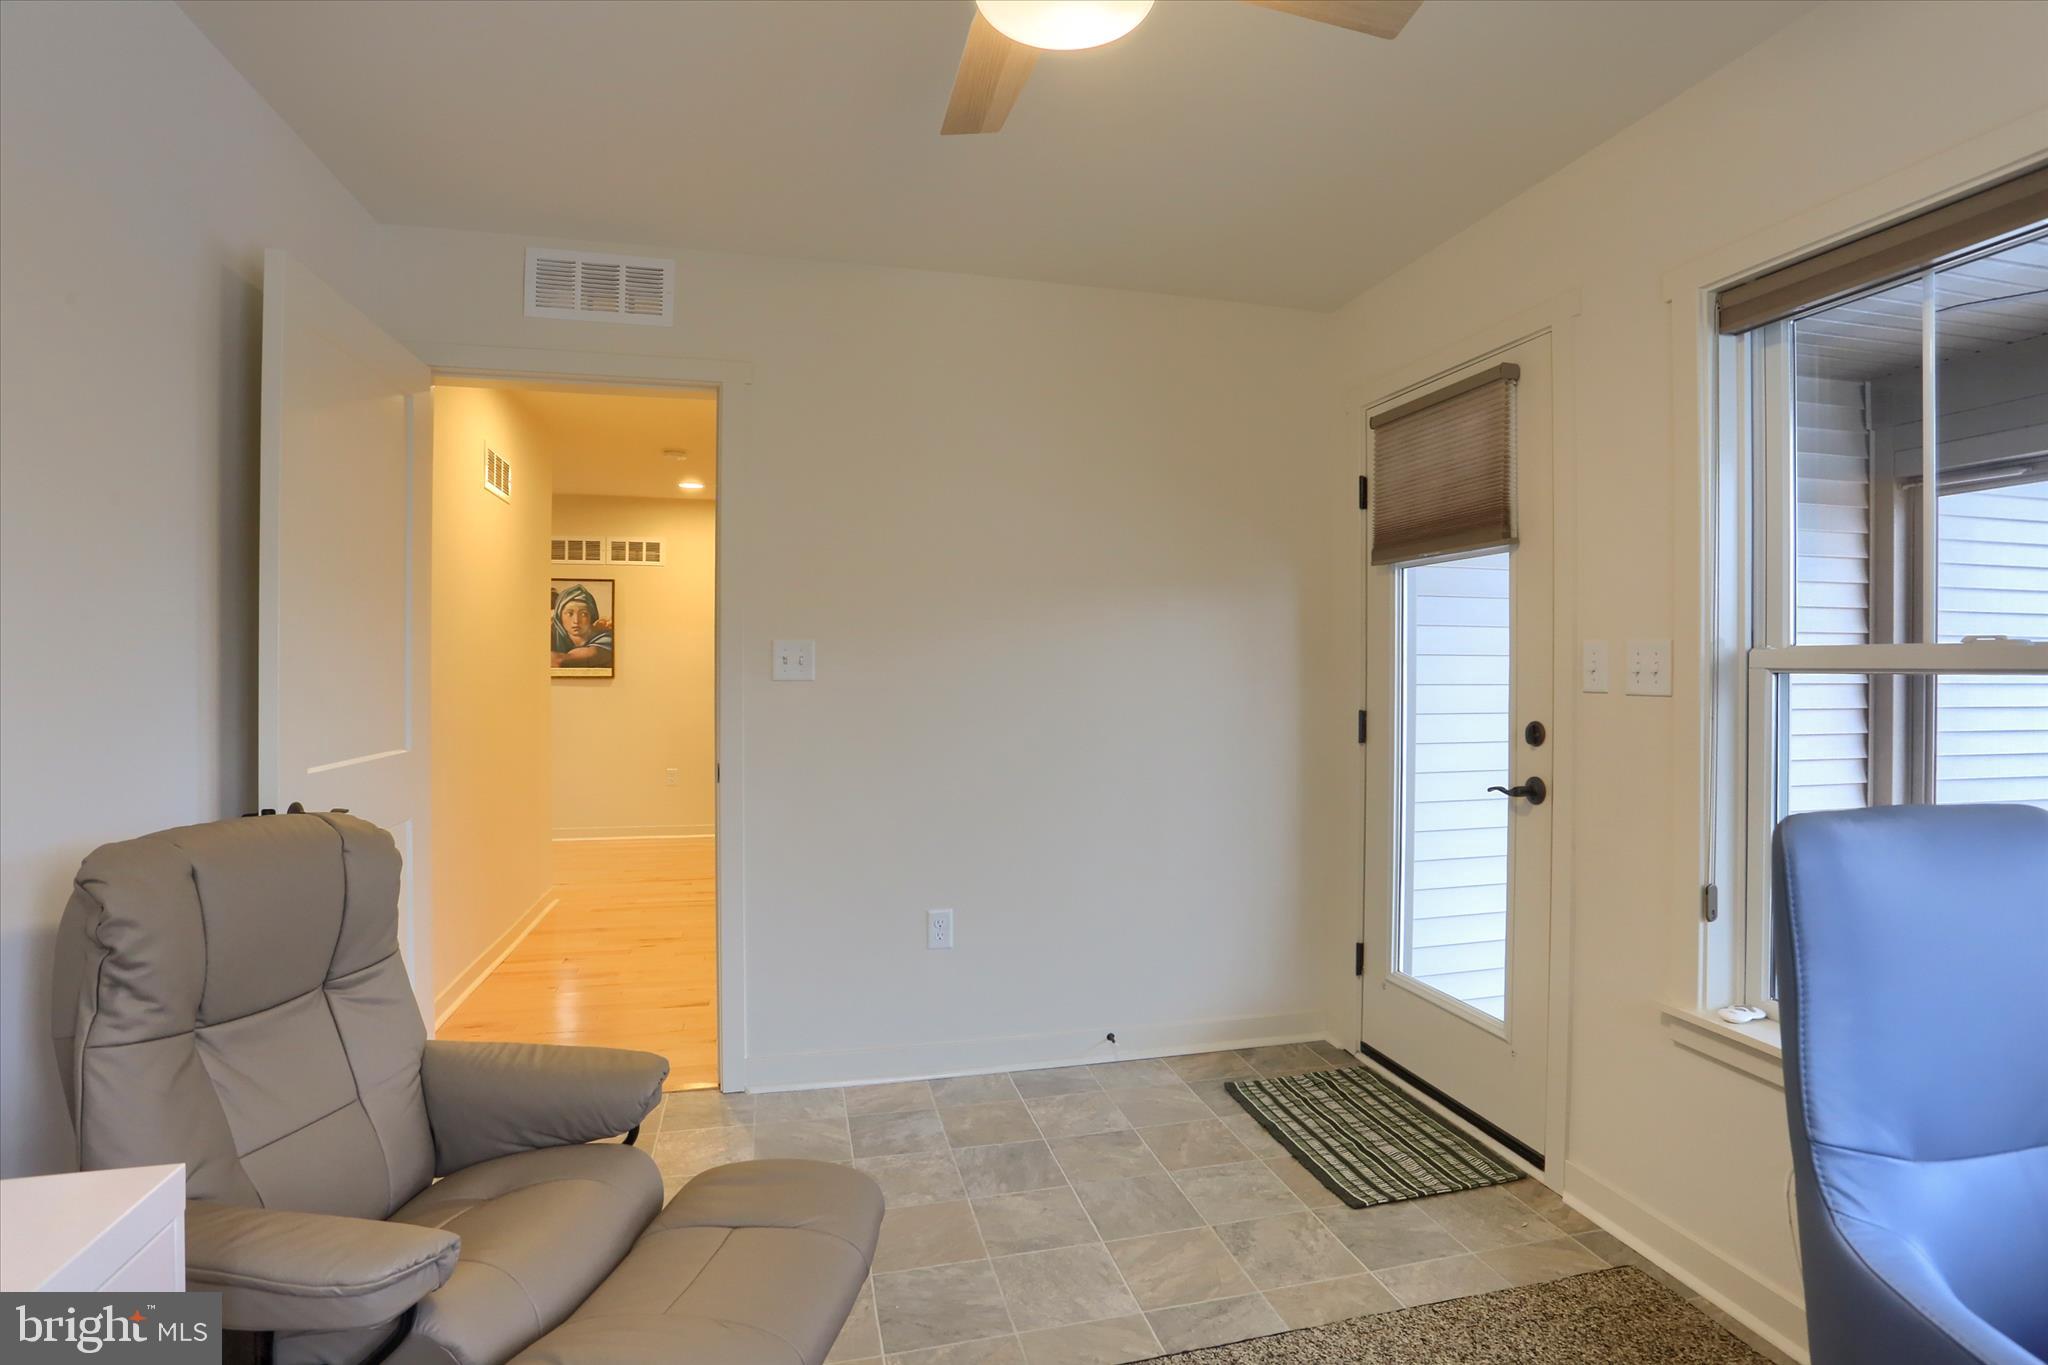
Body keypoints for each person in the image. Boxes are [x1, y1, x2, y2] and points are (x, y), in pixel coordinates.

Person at [551, 584, 613, 668]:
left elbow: (560, 661)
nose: (576, 621)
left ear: (592, 616)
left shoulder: (606, 640)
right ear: (559, 616)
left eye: (583, 614)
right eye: (570, 613)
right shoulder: (553, 635)